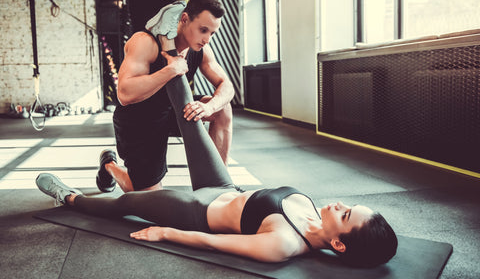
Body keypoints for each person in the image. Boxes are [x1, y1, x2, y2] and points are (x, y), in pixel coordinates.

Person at [36, 48, 398, 267]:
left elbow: (214, 242)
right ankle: (166, 46)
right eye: (347, 205)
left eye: (346, 213)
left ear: (338, 243)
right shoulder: (314, 212)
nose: (338, 204)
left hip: (195, 209)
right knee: (191, 116)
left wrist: (166, 233)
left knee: (127, 203)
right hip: (222, 185)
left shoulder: (285, 244)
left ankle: (69, 196)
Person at [98, 0, 234, 193]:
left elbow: (227, 85)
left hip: (174, 108)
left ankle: (218, 185)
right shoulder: (145, 42)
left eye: (213, 33)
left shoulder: (202, 49)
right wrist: (170, 70)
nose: (207, 39)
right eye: (203, 30)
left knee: (223, 108)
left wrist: (209, 107)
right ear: (184, 19)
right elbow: (125, 93)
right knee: (148, 196)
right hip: (139, 119)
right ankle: (109, 165)